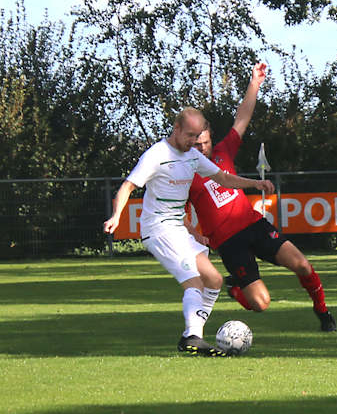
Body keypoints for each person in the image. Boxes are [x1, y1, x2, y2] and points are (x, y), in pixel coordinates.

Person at [103, 107, 275, 355]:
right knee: (194, 281)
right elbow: (127, 187)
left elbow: (223, 178)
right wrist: (116, 216)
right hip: (158, 229)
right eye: (189, 135)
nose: (193, 142)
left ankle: (191, 336)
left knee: (214, 280)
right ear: (176, 129)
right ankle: (194, 336)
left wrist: (255, 183)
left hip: (177, 229)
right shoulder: (156, 155)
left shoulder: (192, 156)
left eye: (197, 136)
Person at [188, 62, 337, 332]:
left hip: (254, 226)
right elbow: (177, 213)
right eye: (197, 144)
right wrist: (194, 234)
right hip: (229, 243)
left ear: (211, 140)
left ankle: (323, 312)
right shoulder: (183, 173)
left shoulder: (223, 152)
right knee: (260, 303)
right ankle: (236, 289)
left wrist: (255, 83)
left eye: (205, 143)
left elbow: (242, 118)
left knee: (302, 265)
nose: (202, 148)